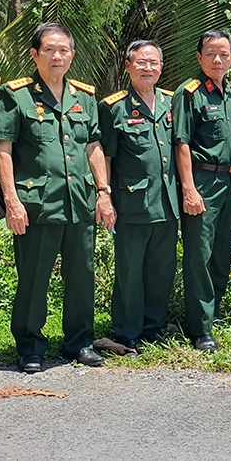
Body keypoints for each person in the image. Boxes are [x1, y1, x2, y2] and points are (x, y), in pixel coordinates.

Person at [0, 22, 116, 373]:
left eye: (63, 50)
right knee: (34, 278)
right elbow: (3, 151)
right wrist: (12, 200)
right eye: (49, 50)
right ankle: (30, 347)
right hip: (37, 205)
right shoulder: (15, 95)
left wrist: (103, 193)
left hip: (79, 201)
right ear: (35, 54)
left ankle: (80, 342)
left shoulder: (84, 96)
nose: (57, 56)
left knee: (82, 275)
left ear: (72, 55)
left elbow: (92, 145)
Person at [99, 41, 179, 355]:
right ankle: (127, 331)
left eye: (153, 62)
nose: (148, 68)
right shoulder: (113, 106)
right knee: (130, 271)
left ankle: (153, 327)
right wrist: (103, 196)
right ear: (129, 66)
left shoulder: (173, 103)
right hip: (132, 204)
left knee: (162, 269)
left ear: (161, 67)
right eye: (141, 62)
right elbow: (105, 155)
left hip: (167, 202)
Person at [172, 30, 231, 352]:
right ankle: (200, 329)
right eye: (211, 54)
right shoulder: (189, 94)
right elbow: (182, 144)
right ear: (199, 57)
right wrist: (189, 189)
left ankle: (211, 315)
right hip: (203, 183)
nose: (218, 60)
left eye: (224, 54)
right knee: (199, 257)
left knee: (221, 254)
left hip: (229, 184)